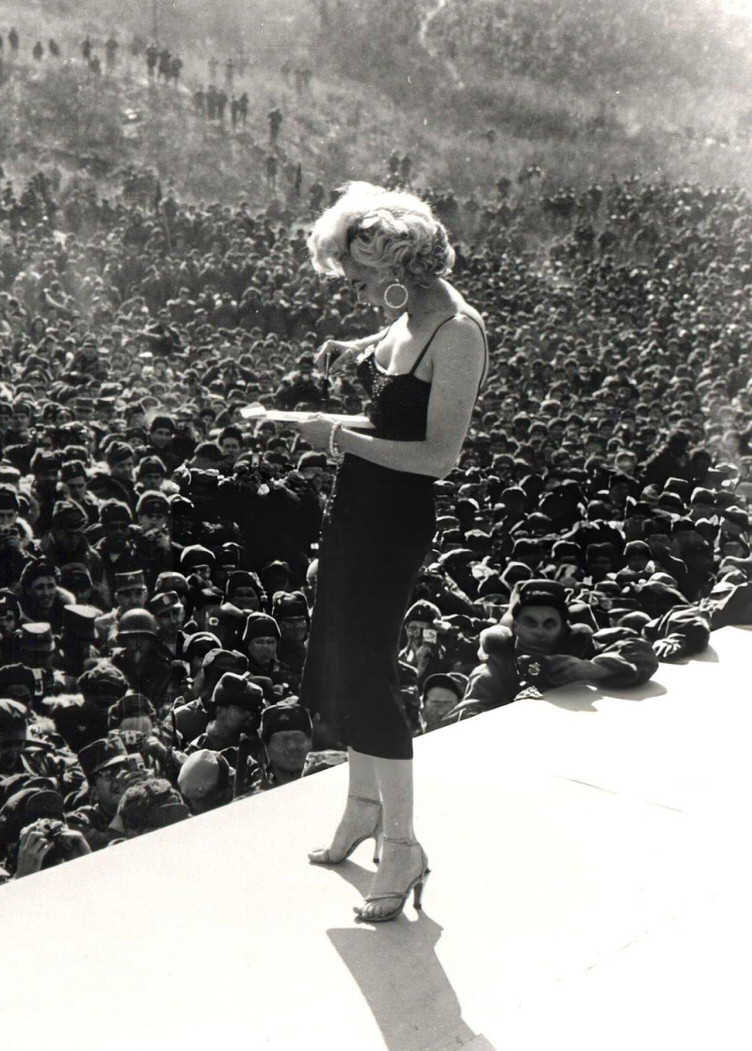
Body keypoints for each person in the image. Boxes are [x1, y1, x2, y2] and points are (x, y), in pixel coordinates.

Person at [283, 182, 488, 923]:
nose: (359, 292)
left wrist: (332, 435)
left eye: (363, 278)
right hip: (356, 508)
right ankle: (362, 807)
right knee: (342, 660)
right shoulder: (408, 321)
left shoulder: (456, 334)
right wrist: (318, 413)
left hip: (393, 520)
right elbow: (382, 417)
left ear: (399, 261)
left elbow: (435, 455)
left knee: (368, 674)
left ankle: (401, 842)